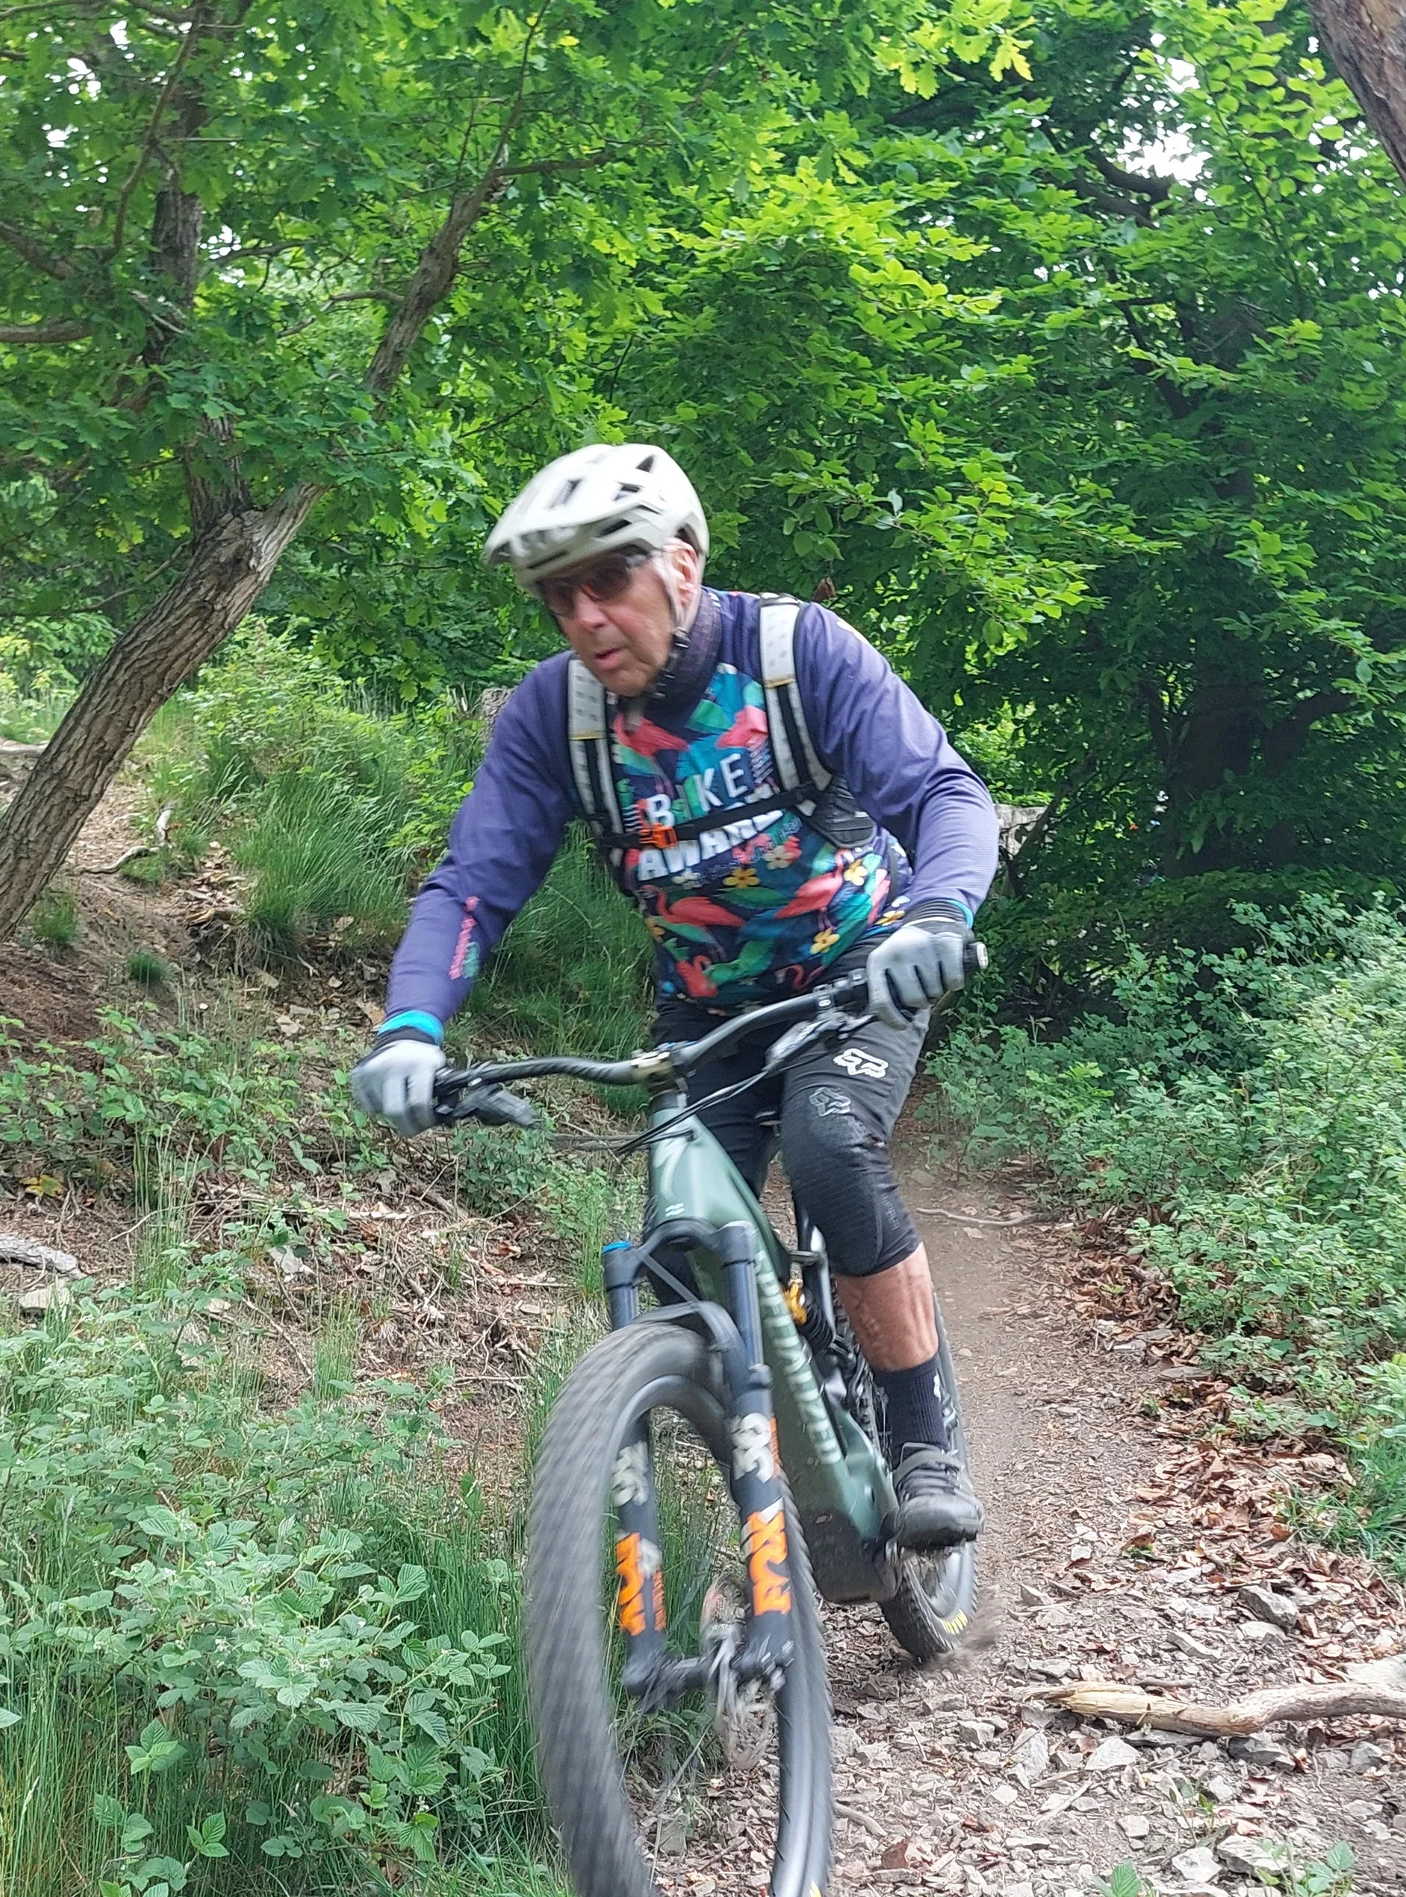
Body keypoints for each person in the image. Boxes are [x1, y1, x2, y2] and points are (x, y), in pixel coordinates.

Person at [350, 444, 997, 1546]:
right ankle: (762, 1501)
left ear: (683, 567)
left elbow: (942, 791)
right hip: (710, 1006)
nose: (587, 617)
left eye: (611, 581)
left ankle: (922, 1430)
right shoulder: (558, 719)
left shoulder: (795, 653)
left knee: (832, 1146)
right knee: (679, 1243)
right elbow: (474, 879)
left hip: (860, 964)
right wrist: (412, 1027)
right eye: (562, 597)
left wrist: (937, 917)